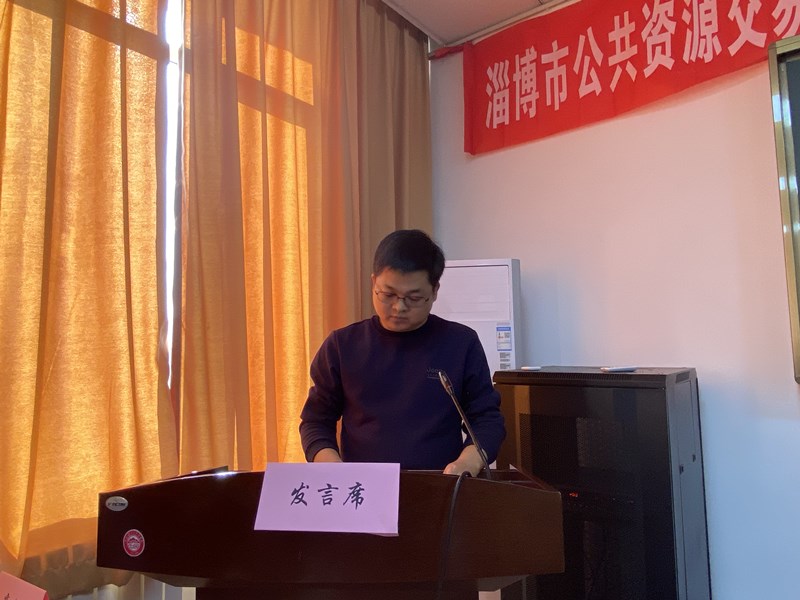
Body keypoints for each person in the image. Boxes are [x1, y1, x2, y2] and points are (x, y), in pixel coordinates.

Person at [299, 229, 506, 477]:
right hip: (362, 488)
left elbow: (486, 420)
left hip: (440, 487)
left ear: (434, 291)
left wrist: (467, 463)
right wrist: (332, 468)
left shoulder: (461, 343)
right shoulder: (342, 346)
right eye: (388, 294)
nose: (398, 307)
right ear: (373, 282)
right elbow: (315, 421)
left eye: (414, 298)